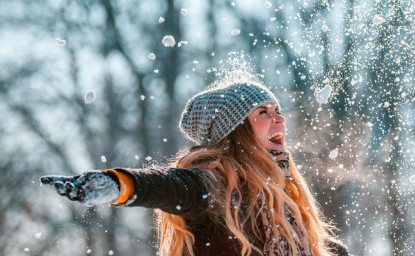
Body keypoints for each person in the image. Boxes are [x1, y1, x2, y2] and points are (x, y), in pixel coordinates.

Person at [40, 81, 349, 256]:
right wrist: (116, 184)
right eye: (264, 112)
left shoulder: (281, 198)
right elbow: (167, 185)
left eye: (278, 111)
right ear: (236, 129)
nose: (279, 118)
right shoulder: (215, 186)